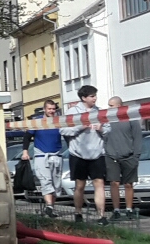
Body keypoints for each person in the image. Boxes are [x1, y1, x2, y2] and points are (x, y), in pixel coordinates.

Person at [60, 85, 108, 224]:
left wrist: (101, 129)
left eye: (95, 95)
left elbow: (108, 129)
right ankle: (78, 212)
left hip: (97, 153)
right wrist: (80, 127)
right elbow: (63, 130)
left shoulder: (100, 112)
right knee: (80, 185)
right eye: (92, 96)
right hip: (78, 154)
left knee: (99, 183)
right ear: (83, 98)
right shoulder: (72, 112)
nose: (95, 98)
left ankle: (101, 215)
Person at [21, 99, 63, 218]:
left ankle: (50, 209)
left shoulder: (59, 122)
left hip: (56, 156)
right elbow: (27, 137)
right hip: (41, 156)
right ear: (44, 109)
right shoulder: (38, 122)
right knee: (46, 182)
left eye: (53, 109)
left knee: (56, 184)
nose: (51, 111)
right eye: (49, 109)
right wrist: (25, 151)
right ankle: (49, 205)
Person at [103, 96, 141, 220]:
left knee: (128, 184)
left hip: (129, 156)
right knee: (114, 183)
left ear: (119, 106)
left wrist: (136, 156)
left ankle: (129, 209)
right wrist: (106, 152)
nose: (109, 108)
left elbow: (137, 137)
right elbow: (103, 136)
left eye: (111, 105)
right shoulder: (107, 119)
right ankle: (116, 210)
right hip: (111, 156)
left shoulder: (130, 118)